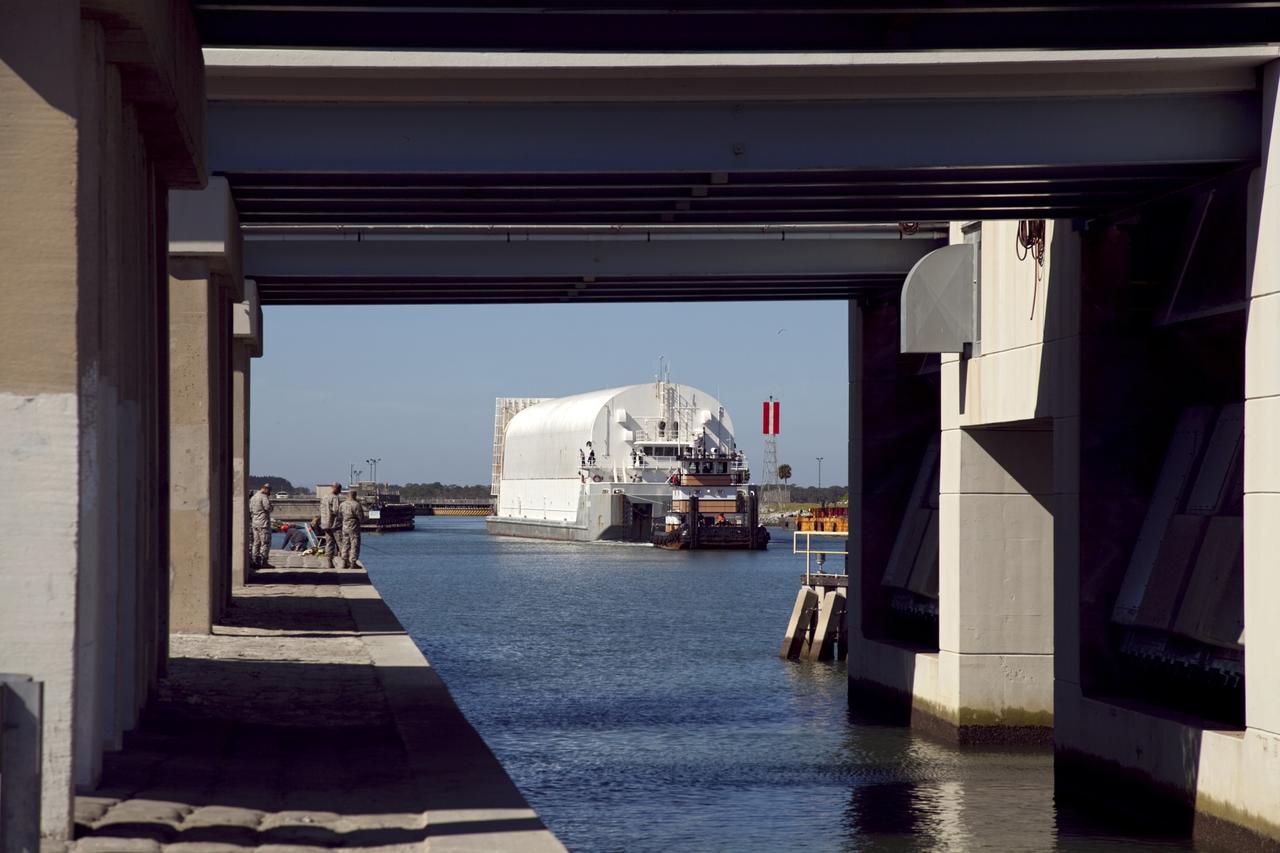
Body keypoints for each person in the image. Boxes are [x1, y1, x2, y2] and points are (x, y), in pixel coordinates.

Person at [339, 489, 366, 568]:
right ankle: (353, 563)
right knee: (354, 544)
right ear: (355, 495)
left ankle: (344, 562)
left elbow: (339, 516)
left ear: (347, 495)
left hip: (345, 526)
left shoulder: (342, 504)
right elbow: (361, 518)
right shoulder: (356, 505)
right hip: (354, 527)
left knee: (345, 543)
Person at [319, 481, 343, 567]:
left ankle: (329, 562)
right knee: (341, 543)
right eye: (339, 489)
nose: (340, 491)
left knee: (329, 544)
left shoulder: (324, 497)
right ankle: (345, 562)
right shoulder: (335, 498)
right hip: (334, 524)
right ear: (336, 488)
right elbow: (336, 511)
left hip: (325, 524)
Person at [248, 484, 273, 568]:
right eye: (269, 490)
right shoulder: (263, 497)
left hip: (255, 522)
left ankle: (255, 560)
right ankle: (264, 561)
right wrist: (271, 506)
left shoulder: (253, 497)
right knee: (265, 542)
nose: (270, 492)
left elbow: (250, 509)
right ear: (265, 489)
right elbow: (268, 508)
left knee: (256, 542)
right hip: (263, 523)